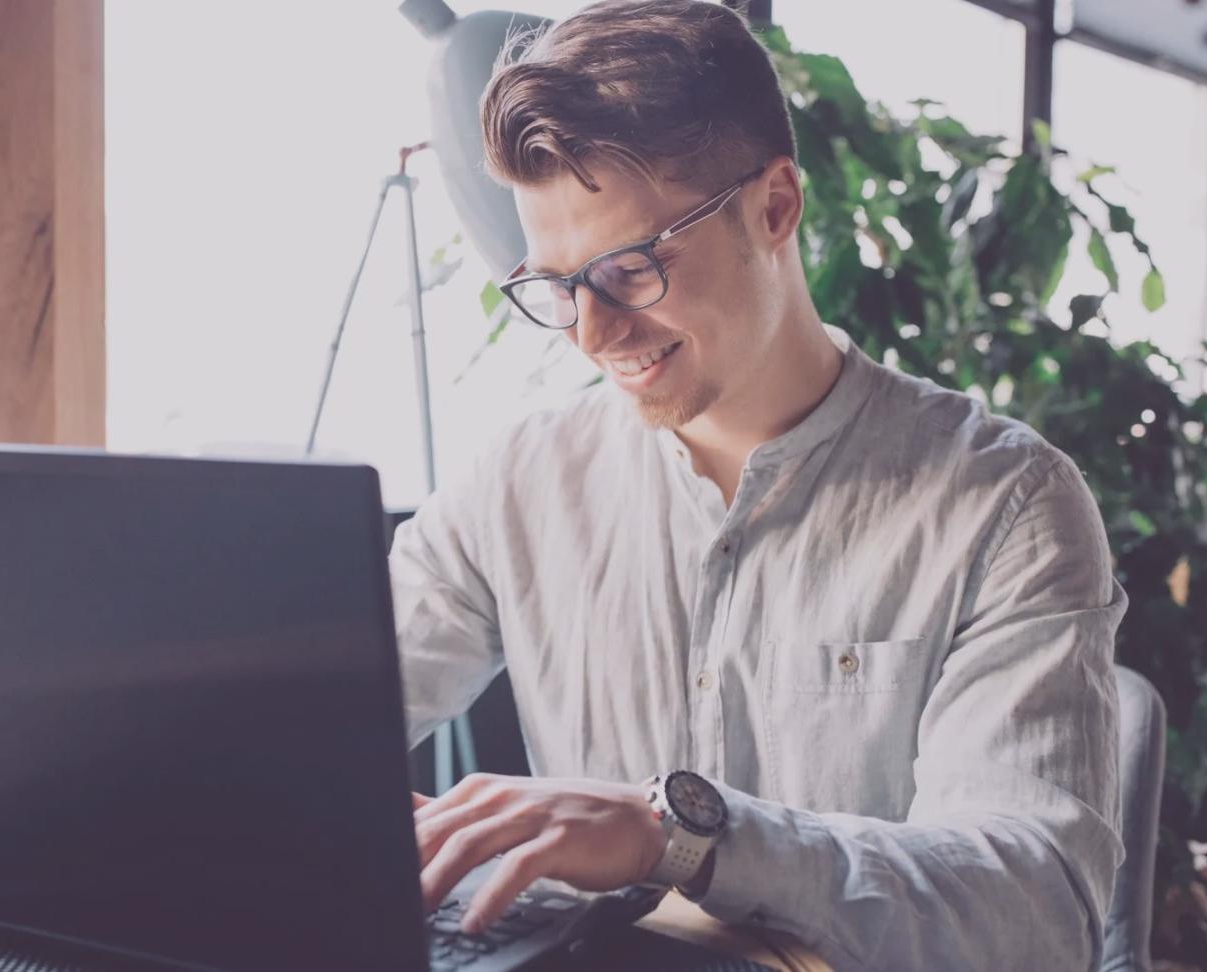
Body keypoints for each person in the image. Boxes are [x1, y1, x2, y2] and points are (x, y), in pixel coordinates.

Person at [391, 2, 1127, 968]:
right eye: (558, 285)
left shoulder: (1007, 506)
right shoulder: (518, 483)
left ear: (776, 206)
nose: (593, 333)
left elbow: (1034, 914)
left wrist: (679, 836)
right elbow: (318, 712)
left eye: (632, 269)